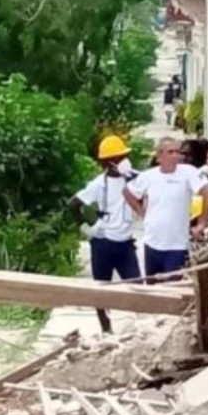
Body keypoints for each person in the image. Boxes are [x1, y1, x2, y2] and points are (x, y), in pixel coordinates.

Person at [70, 135, 141, 334]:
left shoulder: (135, 179)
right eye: (119, 158)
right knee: (101, 289)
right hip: (103, 243)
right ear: (108, 163)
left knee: (137, 286)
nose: (124, 161)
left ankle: (140, 327)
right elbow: (73, 204)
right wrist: (87, 228)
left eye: (125, 156)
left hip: (125, 243)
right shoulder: (98, 185)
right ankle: (106, 329)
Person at [124, 137, 208, 281]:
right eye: (171, 152)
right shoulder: (148, 176)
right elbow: (128, 192)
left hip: (177, 246)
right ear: (159, 156)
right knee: (153, 288)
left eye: (178, 152)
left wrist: (202, 223)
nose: (176, 156)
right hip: (152, 243)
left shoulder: (188, 173)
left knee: (172, 288)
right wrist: (141, 212)